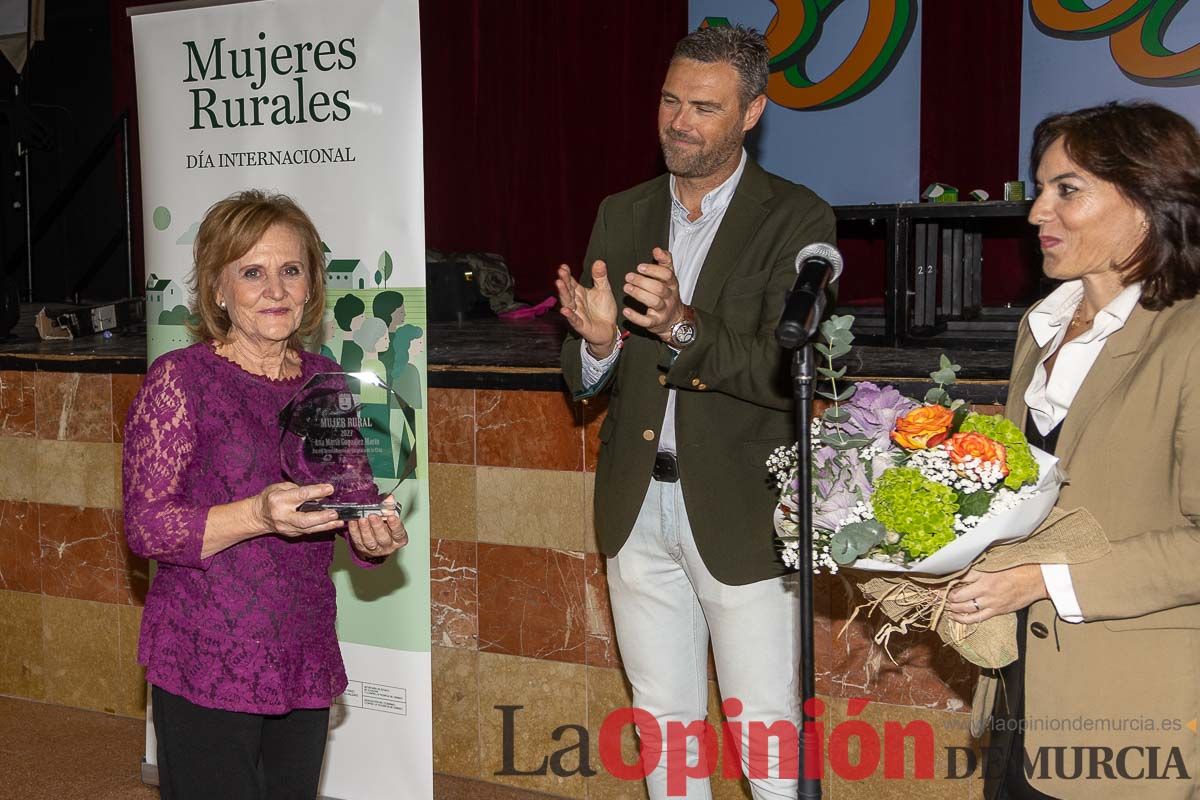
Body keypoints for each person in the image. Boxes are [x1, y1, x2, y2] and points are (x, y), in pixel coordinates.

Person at [557, 25, 835, 800]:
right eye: (670, 100)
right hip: (634, 506)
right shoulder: (623, 211)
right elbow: (586, 376)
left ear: (751, 113)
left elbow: (790, 373)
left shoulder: (796, 218)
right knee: (663, 721)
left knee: (766, 727)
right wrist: (601, 344)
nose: (678, 121)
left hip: (742, 511)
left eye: (703, 107)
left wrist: (683, 325)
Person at [945, 102, 1200, 799]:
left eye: (1068, 189)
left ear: (1149, 201)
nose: (1036, 214)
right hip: (1022, 686)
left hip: (1132, 707)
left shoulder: (1191, 337)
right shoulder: (1044, 321)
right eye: (1040, 188)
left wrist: (1042, 580)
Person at [123, 190, 409, 800]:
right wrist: (257, 514)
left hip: (301, 642)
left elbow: (351, 498)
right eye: (252, 272)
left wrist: (373, 535)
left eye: (291, 270)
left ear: (310, 286)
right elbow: (145, 527)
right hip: (207, 648)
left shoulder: (325, 383)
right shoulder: (182, 380)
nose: (275, 290)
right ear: (218, 289)